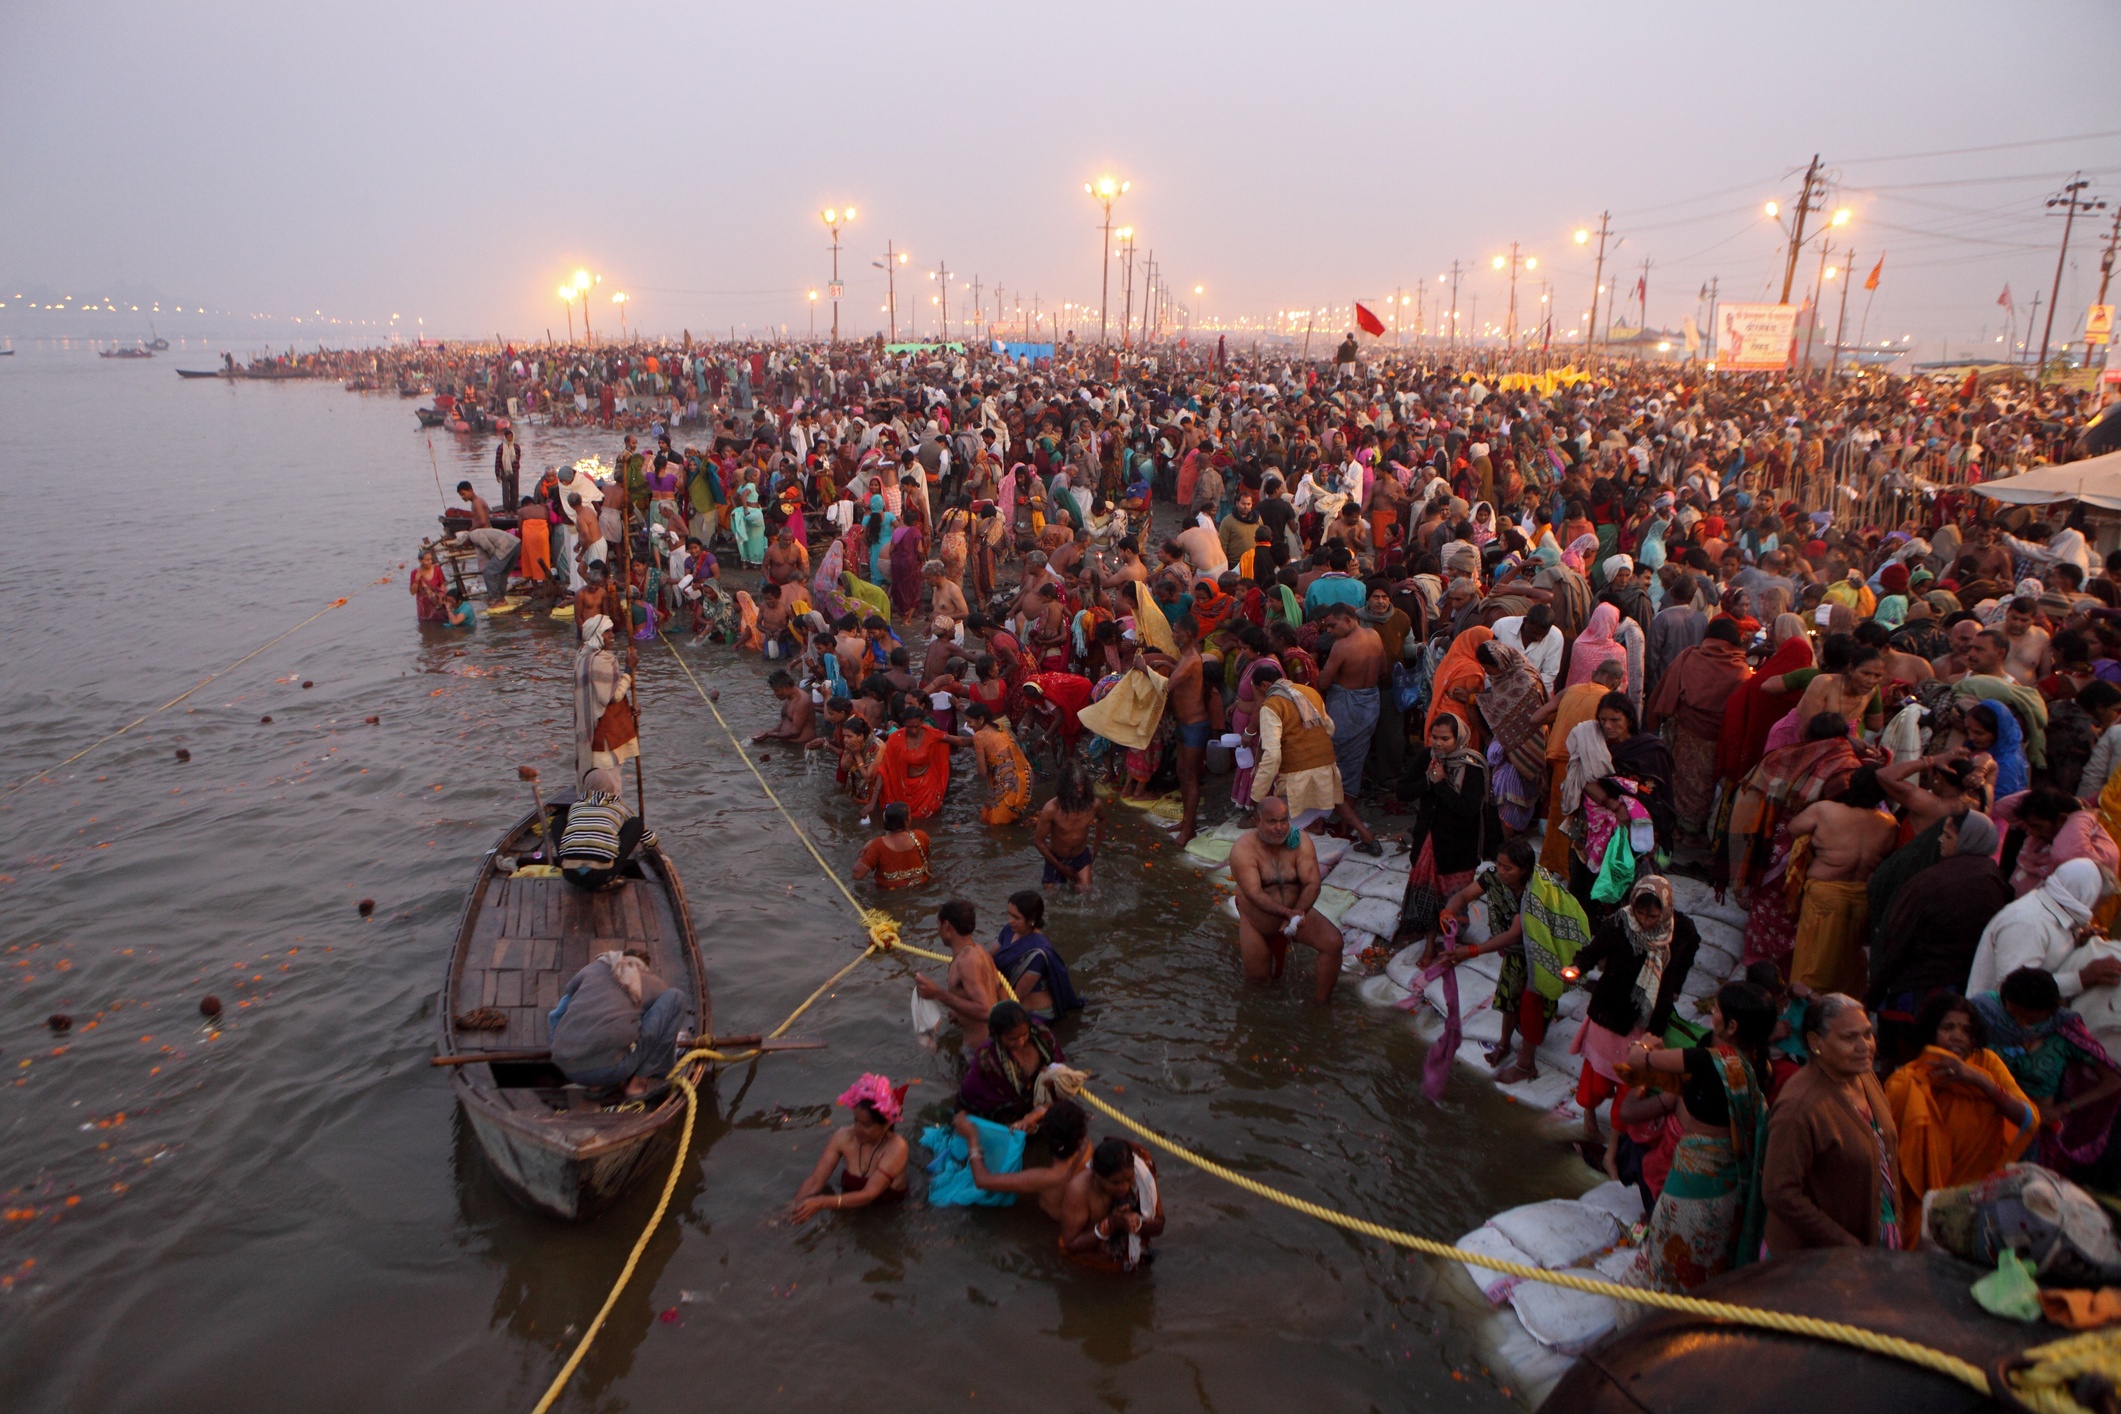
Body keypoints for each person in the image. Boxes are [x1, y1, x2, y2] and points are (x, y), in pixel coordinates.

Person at [1615, 981, 1775, 1292]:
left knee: (1674, 1252)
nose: (1711, 1013)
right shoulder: (1759, 1066)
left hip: (1694, 1181)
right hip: (1729, 1182)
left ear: (1731, 1025)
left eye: (1716, 1010)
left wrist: (1645, 1045)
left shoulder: (1708, 1061)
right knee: (1709, 1255)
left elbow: (1635, 1060)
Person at [1881, 994, 2037, 1246]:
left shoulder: (1987, 1064)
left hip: (1976, 1201)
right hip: (1922, 1208)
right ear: (1931, 1031)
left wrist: (1978, 1080)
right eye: (1948, 1027)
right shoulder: (1905, 1083)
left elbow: (2029, 1118)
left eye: (1966, 1030)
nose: (1957, 1036)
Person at [1567, 876, 1701, 1162]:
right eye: (1640, 913)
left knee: (1630, 1085)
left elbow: (1685, 960)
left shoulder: (1683, 931)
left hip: (1647, 1021)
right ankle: (1589, 1119)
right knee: (1596, 1079)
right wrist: (1577, 968)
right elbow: (1592, 952)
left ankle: (1613, 1149)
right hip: (1609, 1012)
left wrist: (1675, 987)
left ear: (1665, 910)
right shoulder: (1619, 924)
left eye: (1653, 915)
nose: (1646, 920)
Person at [1867, 811, 2013, 1063]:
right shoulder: (1996, 880)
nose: (1940, 841)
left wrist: (1873, 994)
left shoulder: (1928, 883)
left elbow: (1898, 941)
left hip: (1919, 991)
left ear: (1968, 839)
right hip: (1965, 989)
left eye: (1947, 836)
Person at [1763, 994, 1901, 1252]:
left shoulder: (1865, 1076)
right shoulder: (1799, 1106)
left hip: (1873, 1237)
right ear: (1816, 1042)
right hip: (1815, 1260)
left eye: (1868, 1034)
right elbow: (1779, 1192)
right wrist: (1843, 1242)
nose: (1864, 1046)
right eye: (1850, 1038)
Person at [1972, 967, 2121, 1175]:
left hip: (2031, 1132)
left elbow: (2113, 1080)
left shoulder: (2065, 1030)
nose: (2021, 1025)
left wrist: (2062, 1109)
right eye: (2013, 1016)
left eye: (2032, 1020)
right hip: (1977, 1122)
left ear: (2052, 1011)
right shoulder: (1982, 1011)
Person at [1786, 766, 1899, 996]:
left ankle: (1808, 1009)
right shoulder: (1889, 824)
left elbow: (1793, 828)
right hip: (1861, 899)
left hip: (1824, 898)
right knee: (1847, 965)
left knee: (1812, 965)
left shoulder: (1824, 811)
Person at [1228, 794, 1346, 1004]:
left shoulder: (1301, 842)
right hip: (1258, 922)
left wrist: (1296, 913)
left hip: (1296, 912)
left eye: (1284, 821)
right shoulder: (1243, 849)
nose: (1279, 828)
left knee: (1334, 943)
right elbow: (1254, 893)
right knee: (1258, 982)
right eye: (1272, 822)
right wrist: (1285, 913)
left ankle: (1321, 1005)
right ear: (1258, 822)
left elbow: (1312, 883)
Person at [1248, 663, 1379, 852]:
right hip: (1326, 761)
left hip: (1297, 770)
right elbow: (1330, 727)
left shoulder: (1271, 706)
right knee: (1336, 800)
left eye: (1257, 690)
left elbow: (1273, 755)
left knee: (1281, 820)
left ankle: (1290, 859)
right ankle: (1368, 838)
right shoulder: (1309, 692)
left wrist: (1257, 795)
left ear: (1265, 685)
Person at [1401, 713, 1491, 962]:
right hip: (1428, 840)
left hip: (1458, 847)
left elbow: (1468, 809)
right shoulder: (1426, 758)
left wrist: (1441, 785)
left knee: (1454, 900)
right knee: (1430, 897)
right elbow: (1402, 792)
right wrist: (1428, 782)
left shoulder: (1472, 767)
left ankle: (1453, 944)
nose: (1438, 743)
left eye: (1445, 738)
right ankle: (1430, 943)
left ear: (1458, 738)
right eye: (1434, 737)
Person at [1966, 857, 2121, 1000]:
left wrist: (2078, 943)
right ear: (2086, 896)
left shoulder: (2053, 915)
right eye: (2100, 902)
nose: (2097, 911)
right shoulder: (2028, 922)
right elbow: (2014, 990)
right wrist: (2082, 977)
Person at [547, 946, 680, 1098]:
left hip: (564, 1066)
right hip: (612, 1071)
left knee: (572, 1003)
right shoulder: (653, 982)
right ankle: (639, 1084)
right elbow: (658, 1028)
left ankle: (597, 1086)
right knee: (675, 998)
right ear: (644, 968)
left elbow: (556, 1016)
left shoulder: (591, 970)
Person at [788, 1073, 911, 1221]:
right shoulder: (843, 1137)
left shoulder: (897, 1147)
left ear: (886, 1125)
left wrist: (822, 1202)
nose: (857, 1129)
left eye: (866, 1125)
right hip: (848, 1204)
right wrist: (792, 1209)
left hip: (887, 1211)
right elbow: (815, 1181)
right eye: (855, 1121)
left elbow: (869, 1195)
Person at [950, 1098, 1091, 1219]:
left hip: (1053, 1221)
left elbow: (983, 1181)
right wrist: (1033, 1116)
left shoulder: (1050, 1177)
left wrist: (972, 1138)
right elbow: (1057, 1110)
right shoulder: (1085, 1144)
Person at [1060, 1136, 1164, 1272]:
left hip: (1136, 1254)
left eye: (1128, 1179)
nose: (1124, 1187)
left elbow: (1159, 1225)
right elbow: (1071, 1245)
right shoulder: (1078, 1190)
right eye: (1115, 1183)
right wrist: (1110, 1225)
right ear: (1096, 1175)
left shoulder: (1142, 1175)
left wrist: (1136, 1225)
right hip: (1097, 1265)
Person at [1317, 601, 1386, 800]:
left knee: (1340, 759)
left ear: (1348, 620)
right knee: (1355, 759)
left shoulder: (1341, 646)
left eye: (1332, 625)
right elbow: (1383, 670)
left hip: (1347, 707)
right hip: (1371, 701)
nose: (1329, 631)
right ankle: (1348, 809)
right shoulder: (1374, 635)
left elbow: (1323, 682)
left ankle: (1342, 810)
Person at [959, 999, 1066, 1125]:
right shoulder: (988, 1060)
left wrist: (1049, 1074)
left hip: (1043, 1097)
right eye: (1012, 1039)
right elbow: (973, 1094)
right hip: (1010, 1107)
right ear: (997, 1036)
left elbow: (1057, 1063)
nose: (1021, 1042)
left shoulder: (1042, 1034)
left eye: (1024, 1034)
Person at [915, 898, 1003, 1048]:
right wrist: (960, 1013)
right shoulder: (980, 951)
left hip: (979, 1050)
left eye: (938, 925)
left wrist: (937, 993)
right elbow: (999, 992)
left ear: (946, 925)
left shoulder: (967, 961)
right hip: (994, 1042)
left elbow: (986, 1011)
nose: (938, 931)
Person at [556, 767, 656, 890]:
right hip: (602, 875)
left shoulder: (576, 806)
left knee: (558, 820)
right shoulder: (619, 807)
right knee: (636, 823)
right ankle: (606, 879)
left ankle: (571, 863)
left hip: (570, 875)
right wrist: (651, 846)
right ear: (610, 785)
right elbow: (650, 839)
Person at [990, 890, 1082, 1021]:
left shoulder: (1037, 954)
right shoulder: (1008, 930)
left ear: (1031, 920)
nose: (1010, 921)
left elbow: (1015, 998)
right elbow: (988, 959)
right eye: (1009, 914)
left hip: (1035, 1014)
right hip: (1007, 998)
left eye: (1016, 917)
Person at [867, 703, 967, 822]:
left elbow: (959, 741)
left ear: (923, 722)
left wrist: (983, 738)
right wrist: (872, 802)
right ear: (904, 724)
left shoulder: (931, 734)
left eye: (917, 726)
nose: (914, 730)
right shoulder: (895, 739)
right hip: (900, 789)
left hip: (926, 789)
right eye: (909, 727)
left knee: (928, 822)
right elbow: (884, 769)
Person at [572, 614, 639, 788]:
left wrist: (626, 708)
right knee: (610, 787)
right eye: (606, 632)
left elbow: (596, 697)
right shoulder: (602, 660)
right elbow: (613, 696)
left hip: (594, 731)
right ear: (596, 635)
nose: (612, 635)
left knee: (600, 785)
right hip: (604, 734)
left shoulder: (582, 656)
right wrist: (629, 669)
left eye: (611, 631)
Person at [1034, 759, 1106, 893]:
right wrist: (1061, 868)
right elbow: (1039, 841)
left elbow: (1102, 820)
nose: (1079, 789)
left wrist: (1094, 852)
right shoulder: (1051, 809)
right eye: (1075, 785)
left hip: (1081, 857)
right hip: (1055, 858)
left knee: (1086, 894)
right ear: (1066, 786)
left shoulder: (1094, 805)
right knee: (1051, 898)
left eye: (1081, 784)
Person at [964, 701, 1033, 826]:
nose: (968, 726)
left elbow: (983, 772)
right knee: (1008, 815)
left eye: (970, 722)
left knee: (996, 823)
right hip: (1024, 774)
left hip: (1009, 779)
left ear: (981, 719)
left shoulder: (979, 736)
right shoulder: (1000, 727)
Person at [852, 802, 932, 890]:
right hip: (920, 887)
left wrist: (864, 850)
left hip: (888, 891)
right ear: (906, 822)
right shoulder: (921, 836)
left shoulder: (877, 845)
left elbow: (857, 875)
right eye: (909, 815)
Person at [751, 668, 818, 746]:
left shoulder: (802, 701)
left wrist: (769, 735)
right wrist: (766, 734)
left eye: (776, 690)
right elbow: (783, 723)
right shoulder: (789, 698)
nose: (775, 694)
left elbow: (795, 733)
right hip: (787, 743)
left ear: (786, 687)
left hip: (800, 746)